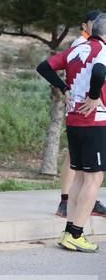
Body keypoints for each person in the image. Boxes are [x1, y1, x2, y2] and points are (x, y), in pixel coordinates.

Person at [37, 14, 106, 252]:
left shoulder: (77, 49)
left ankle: (69, 231)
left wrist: (64, 87)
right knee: (94, 179)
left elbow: (43, 67)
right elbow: (98, 73)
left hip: (73, 119)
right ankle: (77, 234)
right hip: (94, 122)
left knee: (79, 177)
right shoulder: (102, 50)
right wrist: (95, 96)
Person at [55, 9, 106, 218]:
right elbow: (95, 72)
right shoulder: (83, 45)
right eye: (94, 21)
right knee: (76, 163)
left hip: (82, 112)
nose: (97, 24)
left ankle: (79, 205)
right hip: (85, 114)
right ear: (85, 25)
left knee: (82, 168)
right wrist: (68, 90)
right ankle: (66, 202)